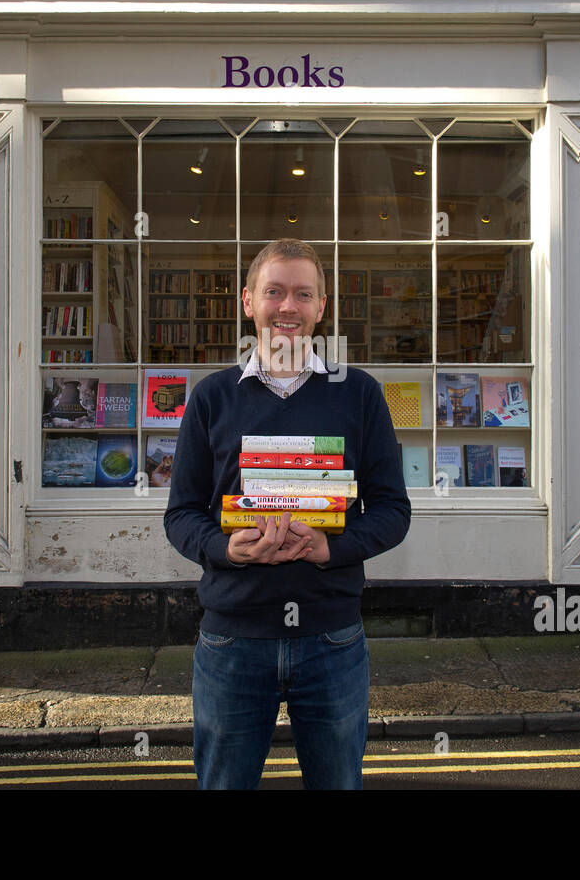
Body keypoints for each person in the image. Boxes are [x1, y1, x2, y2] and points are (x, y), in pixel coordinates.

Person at [163, 238, 411, 789]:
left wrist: (333, 548)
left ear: (322, 307)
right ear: (248, 301)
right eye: (274, 292)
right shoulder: (211, 398)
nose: (288, 307)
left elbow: (393, 509)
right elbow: (181, 514)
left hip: (332, 640)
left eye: (303, 294)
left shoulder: (361, 394)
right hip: (232, 639)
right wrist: (226, 548)